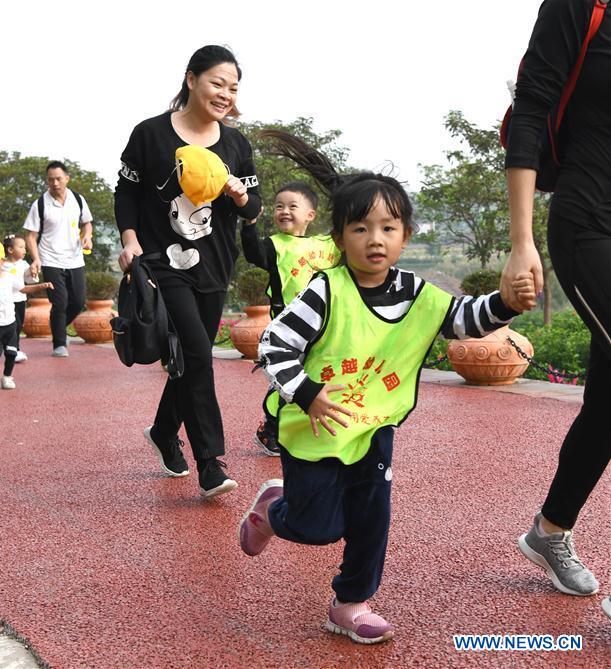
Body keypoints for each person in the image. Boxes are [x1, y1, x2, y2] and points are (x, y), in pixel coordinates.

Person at [239, 131, 534, 643]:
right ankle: (274, 508)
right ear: (339, 238)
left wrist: (505, 303)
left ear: (404, 235)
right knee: (317, 528)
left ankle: (351, 602)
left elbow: (463, 319)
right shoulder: (324, 290)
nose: (374, 239)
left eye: (387, 228)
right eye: (360, 228)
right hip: (314, 428)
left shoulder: (415, 292)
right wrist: (307, 393)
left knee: (372, 517)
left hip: (374, 427)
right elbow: (274, 345)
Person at [499, 0, 611, 617]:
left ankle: (549, 530)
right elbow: (532, 110)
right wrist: (522, 242)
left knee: (606, 406)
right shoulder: (579, 5)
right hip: (589, 223)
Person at [115, 45, 262, 498]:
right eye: (217, 82)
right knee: (198, 352)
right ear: (192, 79)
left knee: (188, 358)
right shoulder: (150, 134)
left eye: (233, 87)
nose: (224, 93)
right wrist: (129, 238)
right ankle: (211, 463)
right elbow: (127, 192)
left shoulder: (237, 144)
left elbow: (254, 208)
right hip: (162, 263)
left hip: (215, 268)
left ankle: (163, 430)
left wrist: (240, 197)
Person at [242, 183, 340, 455]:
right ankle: (270, 429)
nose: (284, 211)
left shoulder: (327, 244)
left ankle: (305, 424)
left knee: (317, 374)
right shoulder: (274, 245)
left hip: (324, 325)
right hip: (289, 328)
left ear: (310, 214)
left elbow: (350, 229)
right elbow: (253, 254)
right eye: (279, 206)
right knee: (287, 375)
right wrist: (249, 223)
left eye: (292, 206)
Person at [23, 161, 93, 357]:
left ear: (67, 179)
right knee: (60, 302)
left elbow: (87, 223)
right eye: (51, 179)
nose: (54, 183)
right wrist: (36, 259)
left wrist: (87, 236)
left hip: (75, 259)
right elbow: (30, 235)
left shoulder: (78, 200)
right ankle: (59, 343)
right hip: (50, 259)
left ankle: (59, 327)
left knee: (78, 301)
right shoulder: (40, 204)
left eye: (58, 179)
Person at [0, 241, 52, 389]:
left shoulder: (9, 277)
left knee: (11, 353)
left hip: (10, 323)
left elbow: (23, 289)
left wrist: (41, 286)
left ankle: (7, 377)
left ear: (2, 260)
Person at [3, 234, 32, 362]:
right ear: (10, 250)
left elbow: (29, 279)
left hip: (20, 299)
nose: (24, 250)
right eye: (21, 247)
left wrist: (34, 272)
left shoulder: (24, 264)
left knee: (19, 325)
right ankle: (14, 349)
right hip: (6, 300)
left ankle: (14, 348)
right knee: (11, 326)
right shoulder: (2, 264)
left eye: (25, 247)